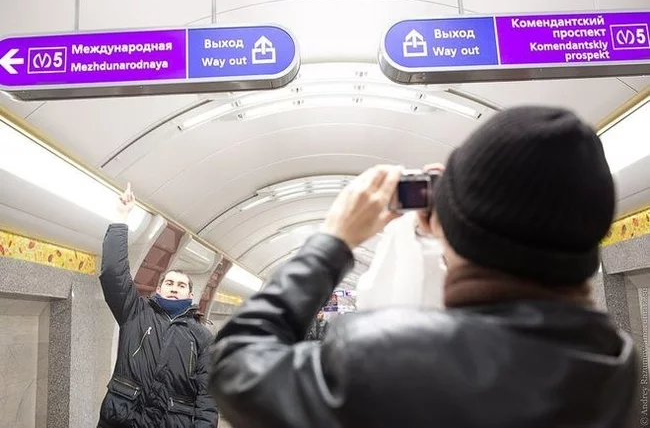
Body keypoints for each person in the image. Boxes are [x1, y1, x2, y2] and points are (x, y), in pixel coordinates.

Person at [206, 106, 637, 428]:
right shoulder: (615, 359)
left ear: (457, 230)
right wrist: (458, 222)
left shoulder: (385, 355)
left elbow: (235, 363)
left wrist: (333, 241)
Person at [98, 183, 218, 428]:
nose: (174, 287)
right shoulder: (135, 312)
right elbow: (113, 273)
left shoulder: (202, 337)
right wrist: (121, 218)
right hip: (123, 417)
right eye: (170, 282)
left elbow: (209, 397)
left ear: (190, 295)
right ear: (158, 289)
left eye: (181, 285)